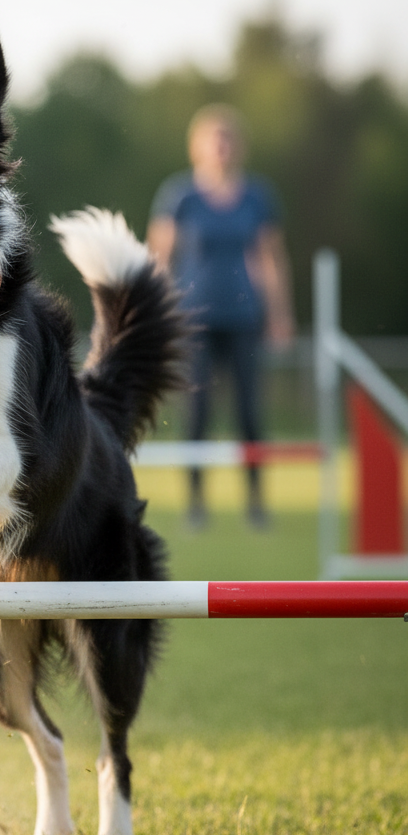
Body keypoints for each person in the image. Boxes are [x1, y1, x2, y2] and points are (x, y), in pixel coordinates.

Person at [147, 104, 294, 528]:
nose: (222, 148)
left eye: (229, 139)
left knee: (251, 414)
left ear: (239, 147)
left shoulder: (257, 197)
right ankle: (196, 505)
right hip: (193, 319)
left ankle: (257, 503)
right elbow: (158, 258)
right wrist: (151, 317)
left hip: (245, 317)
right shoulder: (181, 196)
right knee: (197, 413)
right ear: (199, 147)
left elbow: (271, 260)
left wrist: (280, 314)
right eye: (215, 139)